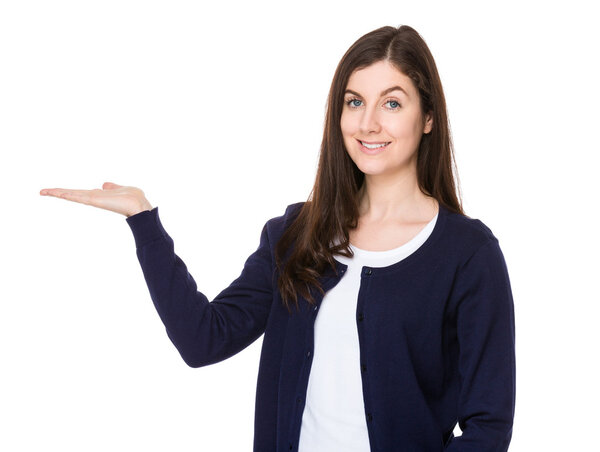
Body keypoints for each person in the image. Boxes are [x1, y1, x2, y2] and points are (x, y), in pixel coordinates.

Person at [40, 24, 516, 452]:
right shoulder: (295, 234)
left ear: (428, 117)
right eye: (354, 102)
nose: (369, 122)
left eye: (392, 103)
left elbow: (487, 426)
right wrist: (144, 221)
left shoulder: (466, 254)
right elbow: (204, 340)